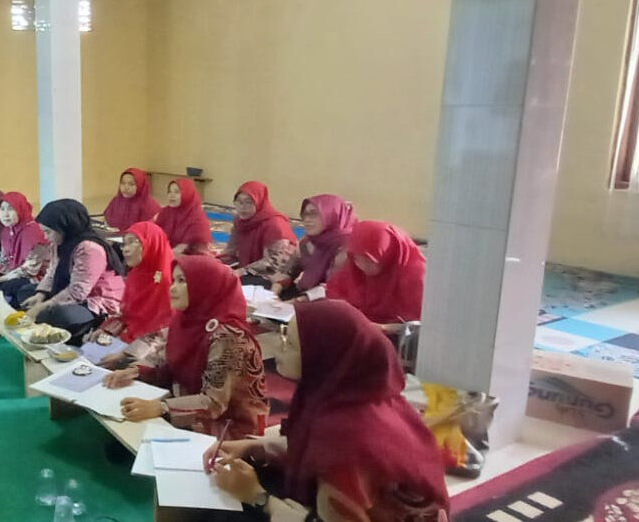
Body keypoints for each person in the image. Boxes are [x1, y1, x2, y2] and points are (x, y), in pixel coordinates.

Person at [208, 300, 449, 522]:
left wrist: (258, 497)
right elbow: (314, 449)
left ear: (322, 356)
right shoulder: (365, 398)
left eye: (290, 344)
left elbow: (333, 468)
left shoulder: (344, 438)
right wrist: (256, 447)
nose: (279, 348)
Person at [103, 256, 268, 438]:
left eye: (182, 281)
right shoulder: (186, 320)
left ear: (205, 287)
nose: (172, 287)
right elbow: (167, 359)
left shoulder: (228, 338)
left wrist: (161, 407)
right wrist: (134, 371)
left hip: (229, 427)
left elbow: (214, 403)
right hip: (190, 402)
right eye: (174, 280)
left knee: (134, 434)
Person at [21, 199, 126, 344]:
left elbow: (78, 291)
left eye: (48, 232)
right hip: (73, 293)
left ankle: (82, 334)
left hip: (95, 301)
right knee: (26, 292)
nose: (45, 237)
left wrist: (43, 306)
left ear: (65, 227)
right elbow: (52, 272)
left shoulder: (89, 248)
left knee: (58, 315)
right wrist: (41, 295)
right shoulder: (59, 243)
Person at [90, 221, 173, 369]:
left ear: (151, 243)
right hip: (129, 337)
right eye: (124, 244)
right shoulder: (136, 275)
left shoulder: (167, 281)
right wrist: (107, 330)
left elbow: (164, 333)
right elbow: (126, 314)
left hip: (151, 350)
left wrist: (124, 356)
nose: (125, 250)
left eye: (132, 242)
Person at [326, 221, 426, 331]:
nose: (362, 266)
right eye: (357, 259)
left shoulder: (415, 275)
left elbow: (422, 326)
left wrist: (384, 328)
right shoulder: (353, 268)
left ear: (389, 252)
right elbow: (334, 294)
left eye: (369, 260)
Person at [272, 194, 357, 300]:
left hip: (332, 300)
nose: (307, 220)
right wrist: (273, 293)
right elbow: (289, 270)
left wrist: (295, 302)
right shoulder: (308, 241)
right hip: (305, 294)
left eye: (314, 214)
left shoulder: (347, 245)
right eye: (305, 214)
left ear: (331, 214)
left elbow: (333, 287)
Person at [0, 192, 50, 308]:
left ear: (20, 209)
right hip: (14, 270)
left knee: (9, 285)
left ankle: (8, 304)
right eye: (2, 209)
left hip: (37, 276)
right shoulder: (7, 230)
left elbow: (29, 270)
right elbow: (5, 259)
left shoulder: (34, 233)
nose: (5, 214)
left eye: (11, 209)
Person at [219, 181, 297, 285]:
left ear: (259, 202)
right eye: (239, 202)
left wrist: (241, 271)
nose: (243, 207)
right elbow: (231, 251)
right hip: (250, 269)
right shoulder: (240, 221)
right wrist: (216, 262)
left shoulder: (275, 224)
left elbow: (273, 262)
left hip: (275, 274)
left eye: (249, 202)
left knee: (233, 284)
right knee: (216, 275)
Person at [156, 178, 215, 256]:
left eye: (177, 192)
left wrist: (162, 257)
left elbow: (182, 249)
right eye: (169, 192)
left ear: (187, 193)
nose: (171, 195)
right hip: (169, 253)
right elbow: (155, 235)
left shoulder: (197, 218)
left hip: (192, 257)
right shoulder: (166, 212)